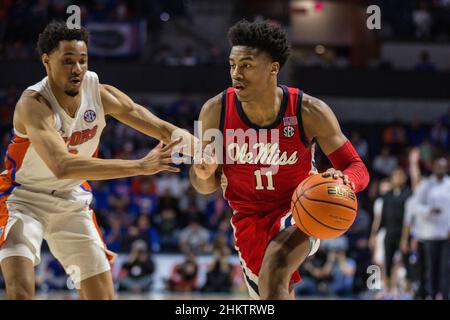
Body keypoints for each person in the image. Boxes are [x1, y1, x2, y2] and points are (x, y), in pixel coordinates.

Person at [0, 22, 195, 300]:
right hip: (22, 198)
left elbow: (164, 129)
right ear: (46, 61)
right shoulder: (33, 103)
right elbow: (62, 166)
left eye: (82, 60)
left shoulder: (100, 93)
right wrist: (140, 166)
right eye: (68, 61)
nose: (77, 68)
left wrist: (203, 151)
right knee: (20, 290)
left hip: (70, 199)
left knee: (102, 296)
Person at [189, 20, 370, 300]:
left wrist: (347, 180)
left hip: (299, 210)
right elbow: (204, 186)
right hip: (247, 218)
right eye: (232, 65)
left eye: (247, 65)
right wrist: (201, 174)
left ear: (273, 68)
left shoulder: (309, 110)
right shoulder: (214, 110)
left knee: (275, 273)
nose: (236, 73)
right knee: (272, 293)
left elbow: (357, 167)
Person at [404, 156, 450, 299]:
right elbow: (414, 206)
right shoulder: (425, 185)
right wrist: (429, 210)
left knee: (445, 268)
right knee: (431, 268)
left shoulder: (449, 184)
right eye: (438, 166)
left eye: (443, 166)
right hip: (429, 234)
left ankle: (444, 295)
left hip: (446, 234)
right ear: (433, 167)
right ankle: (431, 294)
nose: (441, 169)